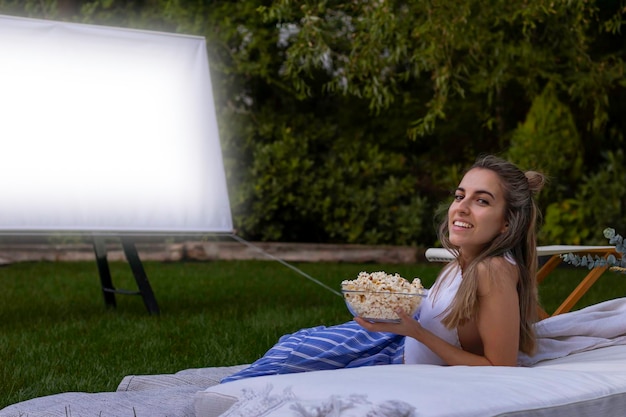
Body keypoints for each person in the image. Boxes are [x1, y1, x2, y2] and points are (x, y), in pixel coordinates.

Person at [221, 155, 545, 383]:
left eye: (482, 200)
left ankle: (217, 400)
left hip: (396, 353)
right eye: (460, 195)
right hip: (392, 343)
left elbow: (501, 368)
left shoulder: (493, 271)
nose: (461, 206)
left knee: (288, 358)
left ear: (507, 222)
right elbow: (496, 314)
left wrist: (415, 332)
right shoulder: (465, 259)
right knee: (295, 345)